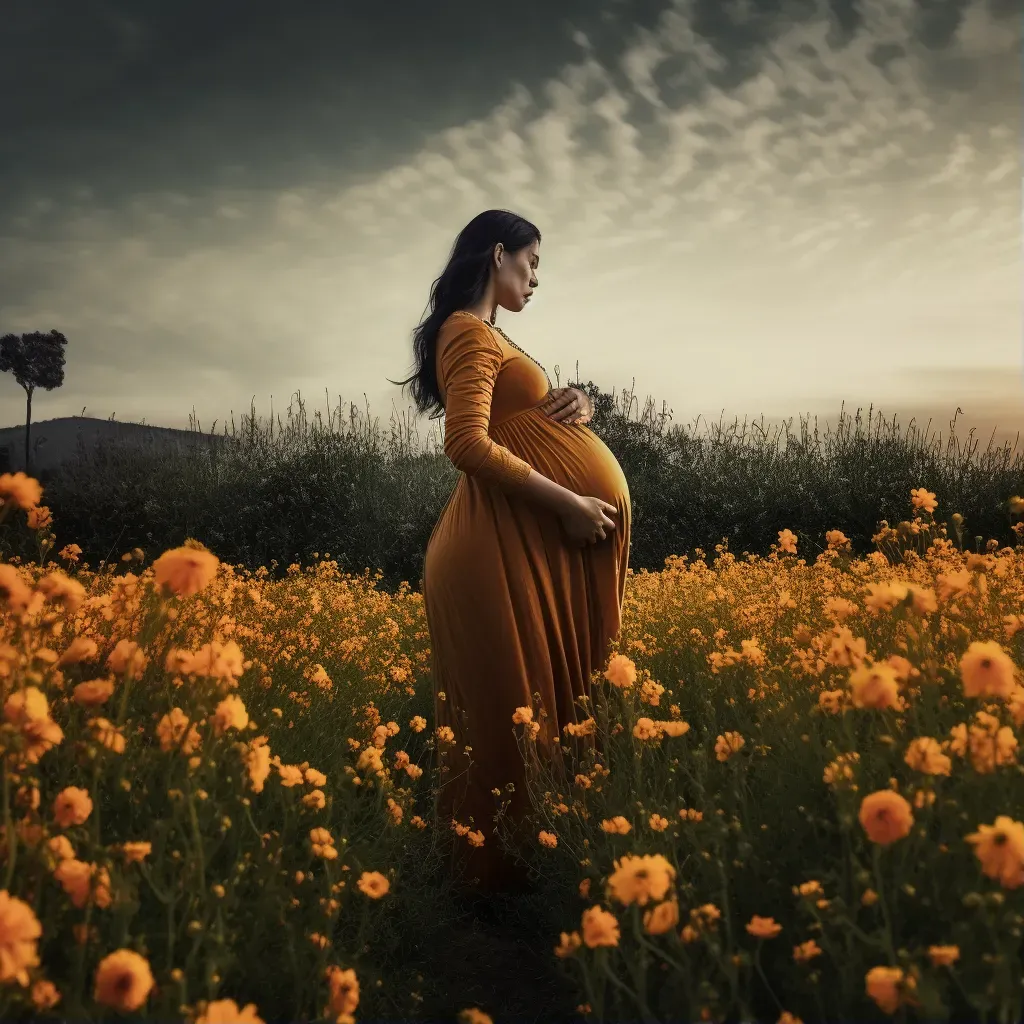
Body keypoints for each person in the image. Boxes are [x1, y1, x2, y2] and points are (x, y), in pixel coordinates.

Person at [393, 209, 631, 896]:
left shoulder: (488, 338)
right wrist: (570, 502)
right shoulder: (466, 331)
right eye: (531, 263)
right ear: (498, 255)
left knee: (543, 703)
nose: (535, 279)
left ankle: (543, 863)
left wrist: (576, 402)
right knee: (514, 711)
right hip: (497, 547)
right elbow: (466, 444)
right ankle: (495, 886)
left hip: (523, 541)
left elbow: (513, 422)